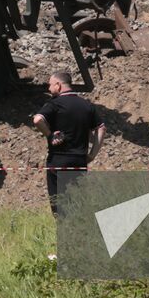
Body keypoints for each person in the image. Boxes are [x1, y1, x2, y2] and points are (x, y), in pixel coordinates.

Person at [31, 70, 104, 215]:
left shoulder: (54, 104)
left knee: (59, 205)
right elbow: (101, 128)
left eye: (50, 85)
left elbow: (37, 120)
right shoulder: (87, 105)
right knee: (77, 201)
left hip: (58, 160)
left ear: (58, 85)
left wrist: (50, 135)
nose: (49, 88)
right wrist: (92, 154)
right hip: (79, 161)